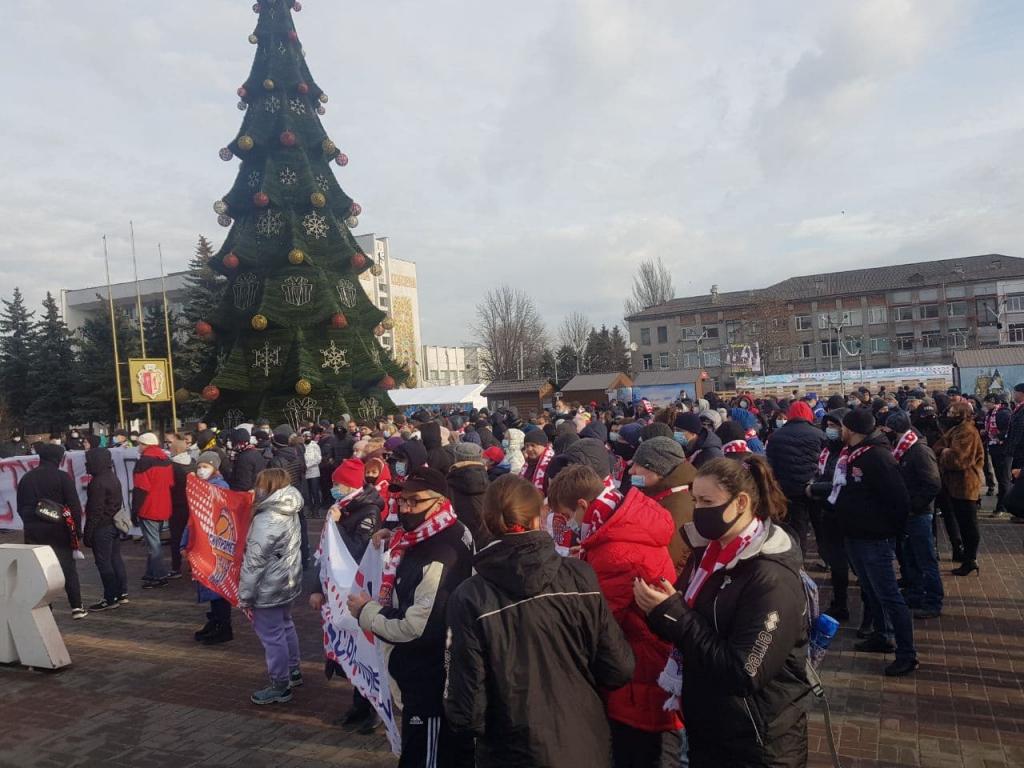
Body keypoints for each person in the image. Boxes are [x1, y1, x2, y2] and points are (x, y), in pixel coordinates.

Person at [445, 474, 636, 768]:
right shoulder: (579, 576)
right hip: (582, 743)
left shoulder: (470, 596)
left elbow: (467, 708)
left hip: (513, 748)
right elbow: (618, 667)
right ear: (538, 517)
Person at [633, 456, 812, 766]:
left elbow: (743, 671)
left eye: (707, 501)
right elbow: (697, 626)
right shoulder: (710, 553)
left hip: (758, 741)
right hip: (714, 727)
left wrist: (674, 613)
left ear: (741, 502)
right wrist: (660, 609)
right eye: (695, 500)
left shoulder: (770, 577)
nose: (698, 510)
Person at [548, 465, 681, 767]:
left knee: (641, 753)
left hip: (639, 671)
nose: (570, 524)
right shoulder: (623, 521)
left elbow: (599, 622)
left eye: (569, 516)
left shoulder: (616, 549)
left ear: (583, 505)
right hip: (650, 656)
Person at [347, 466, 475, 768]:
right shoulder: (440, 529)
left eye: (413, 502)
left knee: (425, 757)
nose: (405, 508)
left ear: (438, 501)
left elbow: (417, 627)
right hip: (424, 673)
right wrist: (392, 536)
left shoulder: (441, 553)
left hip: (430, 678)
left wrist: (367, 612)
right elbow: (413, 542)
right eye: (402, 501)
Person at [832, 408, 917, 676]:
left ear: (852, 429)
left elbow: (899, 499)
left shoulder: (877, 457)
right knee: (870, 590)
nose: (838, 431)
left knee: (889, 594)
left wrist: (890, 531)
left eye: (841, 426)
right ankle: (882, 635)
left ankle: (907, 653)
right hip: (855, 534)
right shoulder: (852, 454)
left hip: (874, 537)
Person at [309, 458, 382, 731]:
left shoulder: (368, 511)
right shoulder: (342, 507)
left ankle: (370, 711)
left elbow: (358, 551)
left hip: (358, 592)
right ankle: (357, 705)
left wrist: (339, 526)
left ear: (350, 484)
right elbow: (325, 554)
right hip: (337, 590)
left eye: (337, 484)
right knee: (349, 653)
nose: (333, 489)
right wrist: (317, 588)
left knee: (363, 651)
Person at [239, 468, 304, 705]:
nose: (256, 489)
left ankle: (280, 683)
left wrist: (245, 595)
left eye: (259, 485)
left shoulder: (267, 518)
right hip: (287, 580)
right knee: (285, 625)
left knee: (272, 635)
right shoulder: (290, 508)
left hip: (269, 586)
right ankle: (293, 670)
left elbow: (254, 562)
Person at [17, 443, 88, 619]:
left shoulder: (27, 478)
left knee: (40, 571)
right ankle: (76, 606)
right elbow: (74, 506)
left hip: (34, 532)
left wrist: (31, 522)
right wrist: (76, 531)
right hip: (60, 531)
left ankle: (46, 608)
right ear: (58, 459)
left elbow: (21, 507)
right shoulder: (62, 477)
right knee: (67, 568)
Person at [885, 411, 943, 618]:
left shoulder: (918, 451)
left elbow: (932, 484)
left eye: (888, 430)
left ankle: (933, 600)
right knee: (910, 556)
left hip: (919, 514)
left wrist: (913, 506)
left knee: (925, 558)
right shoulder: (903, 449)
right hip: (909, 513)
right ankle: (916, 593)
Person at [806, 409, 851, 621]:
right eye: (829, 425)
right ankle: (839, 601)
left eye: (835, 426)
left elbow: (837, 481)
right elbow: (823, 473)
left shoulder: (848, 452)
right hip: (828, 509)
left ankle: (846, 605)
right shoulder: (828, 449)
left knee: (845, 560)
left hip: (843, 511)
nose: (830, 430)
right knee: (837, 561)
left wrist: (814, 489)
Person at [765, 400, 825, 558]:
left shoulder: (776, 436)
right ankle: (828, 560)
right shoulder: (819, 434)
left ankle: (799, 563)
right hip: (815, 488)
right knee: (821, 528)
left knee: (798, 530)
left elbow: (770, 463)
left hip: (789, 490)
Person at [932, 400, 985, 576]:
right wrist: (945, 450)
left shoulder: (967, 431)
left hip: (966, 484)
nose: (949, 415)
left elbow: (959, 460)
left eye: (953, 412)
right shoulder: (956, 430)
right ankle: (967, 558)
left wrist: (946, 452)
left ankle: (970, 559)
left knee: (968, 523)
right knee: (962, 522)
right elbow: (937, 447)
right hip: (953, 484)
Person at [629, 436, 696, 572]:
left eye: (638, 465)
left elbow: (667, 560)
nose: (631, 471)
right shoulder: (660, 494)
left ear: (659, 471)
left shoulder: (676, 508)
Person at [189, 452, 236, 645]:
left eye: (205, 466)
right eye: (199, 466)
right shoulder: (202, 486)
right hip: (203, 542)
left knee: (217, 584)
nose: (201, 470)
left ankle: (223, 625)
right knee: (209, 583)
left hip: (215, 544)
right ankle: (215, 620)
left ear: (215, 468)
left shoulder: (219, 488)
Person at [83, 446, 128, 611]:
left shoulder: (97, 483)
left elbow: (95, 511)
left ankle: (110, 598)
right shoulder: (112, 477)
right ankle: (121, 592)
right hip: (114, 524)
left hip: (102, 527)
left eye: (88, 462)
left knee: (104, 563)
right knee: (115, 559)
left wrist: (88, 534)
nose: (86, 466)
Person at [131, 432, 175, 590]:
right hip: (164, 505)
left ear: (145, 445)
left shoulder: (144, 462)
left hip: (148, 506)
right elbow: (170, 483)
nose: (138, 447)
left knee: (153, 544)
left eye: (140, 444)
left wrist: (134, 510)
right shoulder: (166, 460)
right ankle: (151, 572)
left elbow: (140, 489)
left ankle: (159, 575)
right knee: (154, 541)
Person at [447, 442, 491, 548]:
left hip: (457, 543)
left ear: (456, 459)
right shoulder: (491, 484)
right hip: (486, 542)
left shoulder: (447, 485)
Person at [167, 434, 195, 580]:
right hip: (193, 504)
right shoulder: (194, 462)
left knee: (176, 536)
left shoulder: (172, 466)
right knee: (192, 535)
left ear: (175, 450)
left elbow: (169, 486)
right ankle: (193, 566)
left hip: (177, 505)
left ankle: (176, 567)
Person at [983, 394, 1012, 516]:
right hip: (994, 448)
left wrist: (998, 435)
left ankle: (1002, 506)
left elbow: (1009, 430)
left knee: (1004, 479)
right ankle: (1004, 504)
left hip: (1003, 450)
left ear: (994, 402)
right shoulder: (990, 414)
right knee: (1001, 478)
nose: (985, 405)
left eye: (987, 402)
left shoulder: (1003, 413)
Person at [229, 427, 266, 493]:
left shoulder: (244, 458)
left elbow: (243, 483)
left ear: (237, 443)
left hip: (246, 494)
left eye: (232, 442)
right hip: (258, 489)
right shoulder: (255, 452)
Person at [302, 430, 323, 512]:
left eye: (309, 436)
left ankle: (317, 508)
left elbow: (318, 459)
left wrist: (308, 465)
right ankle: (310, 508)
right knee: (307, 492)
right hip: (305, 473)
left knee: (315, 491)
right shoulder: (301, 446)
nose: (307, 438)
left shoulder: (315, 445)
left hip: (314, 472)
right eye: (305, 436)